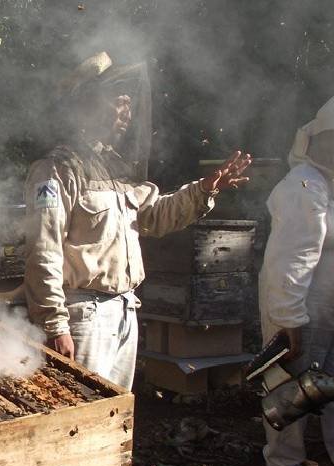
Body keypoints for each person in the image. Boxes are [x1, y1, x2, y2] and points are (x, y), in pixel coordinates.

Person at [23, 51, 251, 389]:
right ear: (87, 105)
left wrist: (204, 190)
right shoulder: (55, 171)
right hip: (84, 316)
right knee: (82, 419)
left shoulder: (117, 170)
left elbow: (155, 216)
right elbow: (44, 251)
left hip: (124, 310)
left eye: (129, 102)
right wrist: (55, 325)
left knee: (114, 421)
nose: (127, 112)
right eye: (119, 101)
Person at [258, 84, 334, 466]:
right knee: (293, 387)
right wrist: (288, 320)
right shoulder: (304, 187)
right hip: (304, 308)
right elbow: (289, 263)